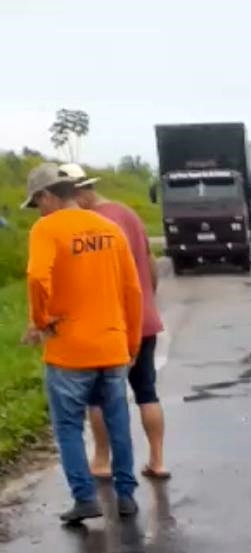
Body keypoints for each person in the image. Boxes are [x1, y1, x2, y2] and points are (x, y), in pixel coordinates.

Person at [22, 162, 143, 523]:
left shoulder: (46, 229)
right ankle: (126, 496)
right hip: (112, 347)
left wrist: (42, 320)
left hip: (70, 352)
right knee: (118, 422)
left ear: (47, 196)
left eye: (37, 203)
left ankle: (85, 498)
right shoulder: (109, 229)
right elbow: (132, 291)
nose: (38, 211)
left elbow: (35, 276)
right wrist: (132, 343)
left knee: (69, 427)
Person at [58, 163, 169, 480]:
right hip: (143, 320)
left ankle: (103, 461)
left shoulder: (91, 223)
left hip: (109, 326)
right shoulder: (128, 214)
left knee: (99, 397)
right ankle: (158, 461)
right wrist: (147, 301)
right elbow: (150, 263)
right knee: (147, 390)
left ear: (79, 194)